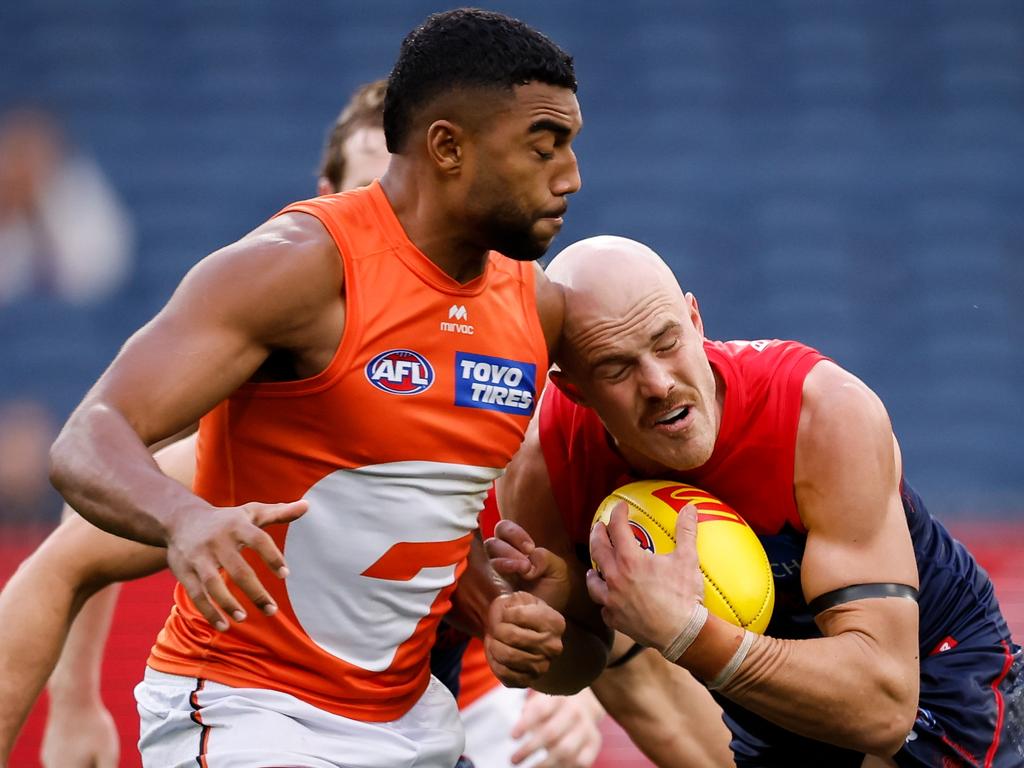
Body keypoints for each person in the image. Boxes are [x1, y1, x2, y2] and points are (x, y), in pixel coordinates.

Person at [45, 8, 581, 767]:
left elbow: (415, 525)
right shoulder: (298, 268)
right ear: (448, 146)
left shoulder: (536, 305)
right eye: (544, 145)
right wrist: (185, 520)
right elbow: (87, 439)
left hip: (414, 726)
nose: (571, 175)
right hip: (249, 711)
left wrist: (499, 610)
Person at [484, 235, 1023, 767]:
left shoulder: (820, 413)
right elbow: (584, 664)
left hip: (937, 675)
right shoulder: (542, 465)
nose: (658, 383)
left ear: (695, 320)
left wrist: (685, 633)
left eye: (667, 341)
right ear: (573, 388)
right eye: (616, 369)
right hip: (767, 711)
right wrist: (542, 640)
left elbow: (884, 709)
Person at [0, 107, 133, 306]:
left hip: (80, 321)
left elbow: (100, 274)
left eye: (31, 149)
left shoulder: (81, 189)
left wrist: (38, 210)